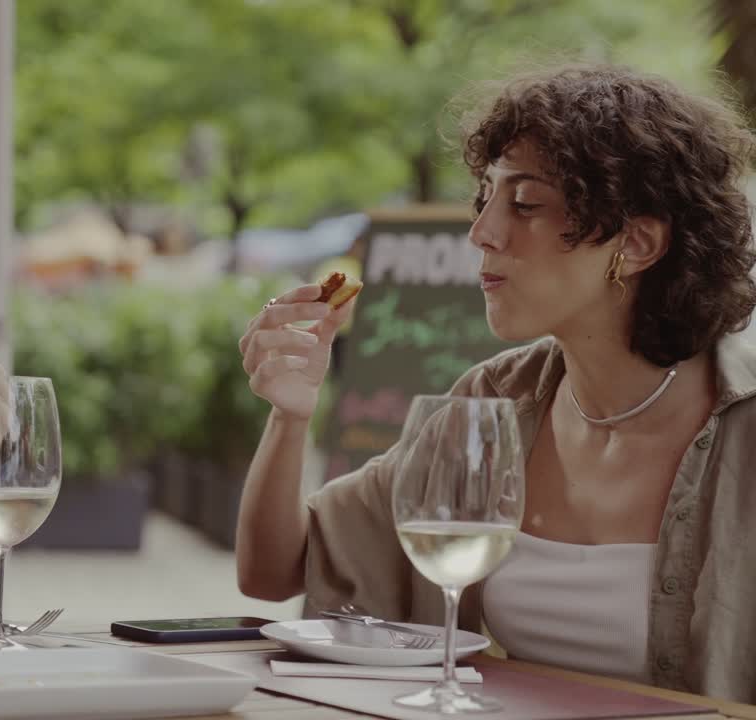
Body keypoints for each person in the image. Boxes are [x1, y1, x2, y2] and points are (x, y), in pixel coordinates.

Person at [235, 64, 756, 702]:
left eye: (526, 204)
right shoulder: (492, 403)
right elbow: (271, 571)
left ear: (639, 242)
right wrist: (290, 414)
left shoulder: (745, 423)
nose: (481, 233)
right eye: (486, 199)